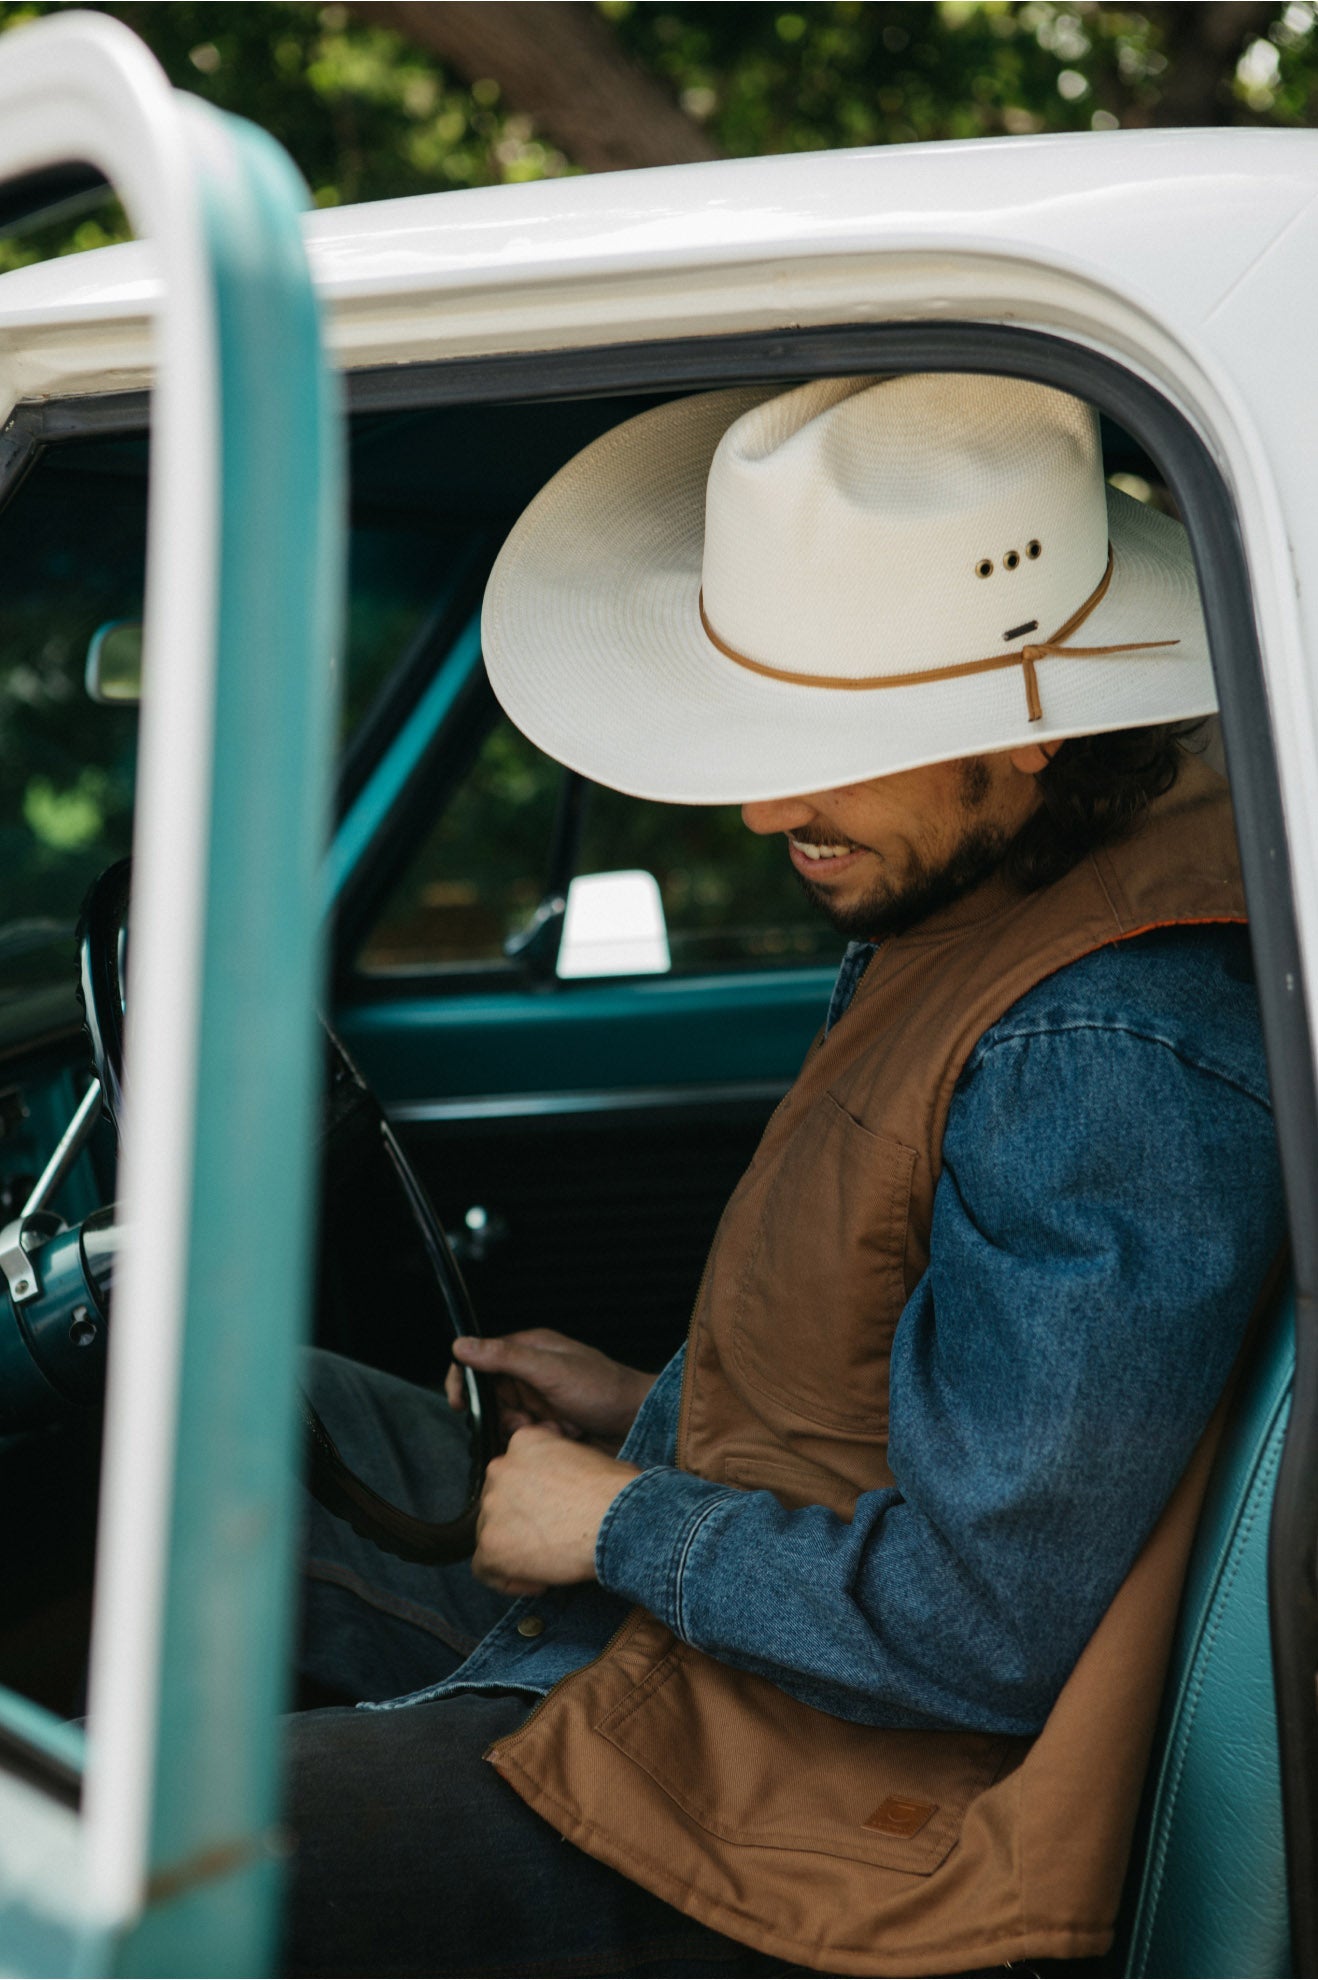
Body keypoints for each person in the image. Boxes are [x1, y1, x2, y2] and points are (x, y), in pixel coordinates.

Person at [285, 373, 1284, 1978]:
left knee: (117, 1856)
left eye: (834, 741)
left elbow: (992, 1625)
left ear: (1026, 730)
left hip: (833, 1827)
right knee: (279, 1418)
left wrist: (615, 1524)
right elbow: (955, 1385)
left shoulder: (1096, 1043)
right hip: (725, 1668)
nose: (762, 804)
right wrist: (650, 1407)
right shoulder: (984, 895)